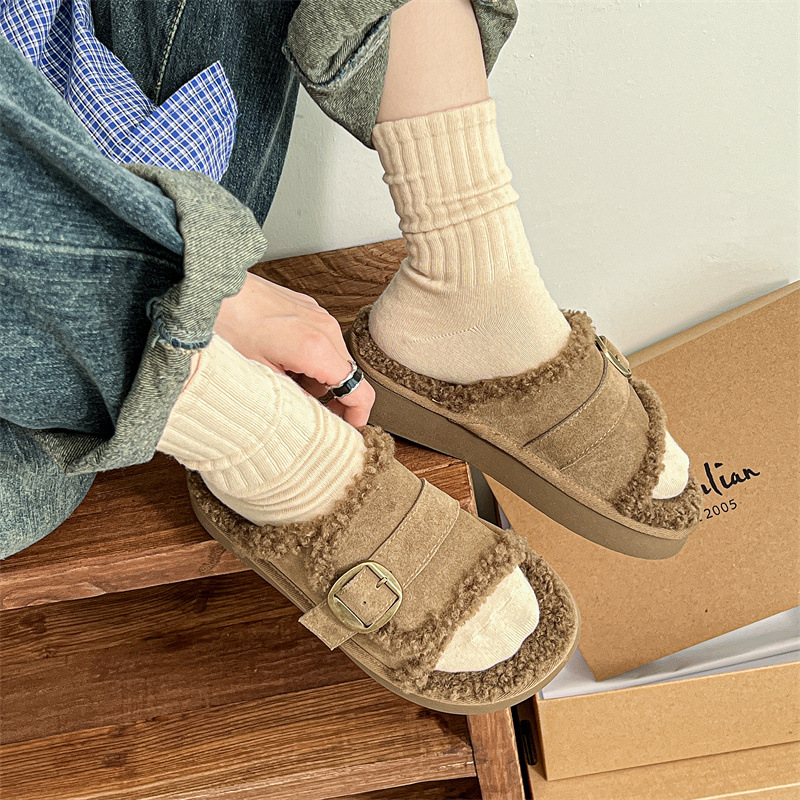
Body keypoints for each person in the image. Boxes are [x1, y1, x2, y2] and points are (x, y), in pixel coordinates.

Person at [1, 0, 700, 711]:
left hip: (117, 107)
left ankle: (470, 261)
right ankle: (249, 429)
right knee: (28, 488)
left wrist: (207, 276)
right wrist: (209, 292)